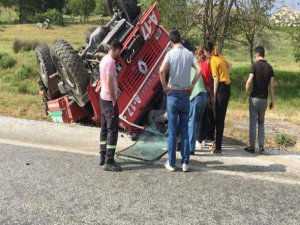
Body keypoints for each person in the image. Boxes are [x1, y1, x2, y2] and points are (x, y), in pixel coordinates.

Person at [159, 30, 201, 172]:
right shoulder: (189, 54)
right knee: (184, 130)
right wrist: (192, 85)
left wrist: (165, 87)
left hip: (172, 95)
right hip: (185, 95)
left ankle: (171, 163)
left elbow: (161, 71)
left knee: (172, 131)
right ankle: (185, 163)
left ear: (171, 41)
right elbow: (199, 70)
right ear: (181, 39)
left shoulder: (170, 54)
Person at [243, 46, 275, 153]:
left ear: (257, 55)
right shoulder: (270, 67)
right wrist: (272, 100)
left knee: (253, 122)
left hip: (254, 98)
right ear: (263, 55)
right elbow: (272, 85)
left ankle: (252, 147)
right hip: (264, 100)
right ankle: (261, 147)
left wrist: (245, 93)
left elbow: (249, 81)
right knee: (261, 122)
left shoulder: (255, 66)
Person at [99, 39, 123, 171]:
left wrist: (116, 87)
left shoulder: (104, 60)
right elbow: (108, 82)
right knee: (112, 130)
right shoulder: (111, 63)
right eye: (120, 52)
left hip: (103, 98)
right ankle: (109, 160)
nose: (120, 54)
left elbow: (108, 81)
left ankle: (102, 157)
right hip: (109, 100)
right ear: (117, 50)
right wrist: (114, 99)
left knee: (104, 128)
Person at [204, 42, 231, 154]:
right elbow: (230, 65)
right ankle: (217, 143)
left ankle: (218, 147)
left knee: (218, 118)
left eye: (205, 52)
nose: (204, 53)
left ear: (207, 52)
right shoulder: (220, 57)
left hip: (220, 89)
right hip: (227, 87)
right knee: (220, 117)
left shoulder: (213, 61)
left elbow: (215, 79)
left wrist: (214, 95)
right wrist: (226, 75)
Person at [188, 47, 208, 155]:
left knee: (191, 122)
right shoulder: (196, 68)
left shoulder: (189, 69)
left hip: (196, 96)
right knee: (194, 122)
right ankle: (191, 144)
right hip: (204, 96)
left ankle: (190, 149)